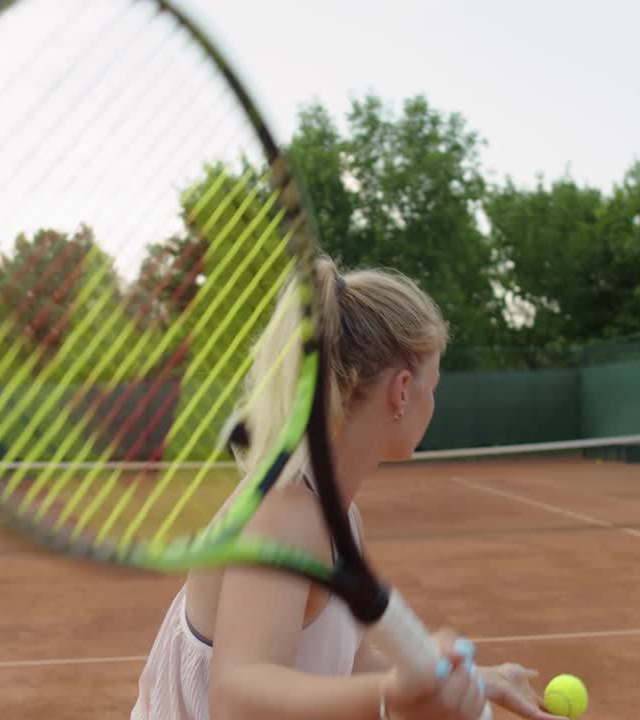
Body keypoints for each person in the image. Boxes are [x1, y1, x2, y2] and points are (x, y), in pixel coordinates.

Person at [131, 258, 559, 720]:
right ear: (401, 390)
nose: (433, 401)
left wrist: (476, 678)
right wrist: (390, 699)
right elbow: (237, 699)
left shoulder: (338, 516)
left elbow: (348, 664)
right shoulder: (286, 512)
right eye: (432, 386)